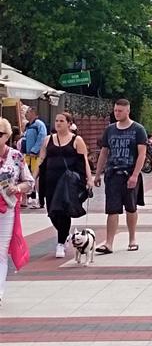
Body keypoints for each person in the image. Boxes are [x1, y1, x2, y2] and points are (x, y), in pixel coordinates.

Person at [34, 113, 94, 258]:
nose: (58, 123)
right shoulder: (48, 140)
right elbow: (41, 159)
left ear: (69, 123)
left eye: (61, 121)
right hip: (50, 181)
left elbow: (84, 160)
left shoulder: (76, 140)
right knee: (52, 212)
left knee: (63, 211)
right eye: (56, 120)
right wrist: (33, 177)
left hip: (68, 183)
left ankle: (60, 243)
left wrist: (89, 179)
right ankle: (66, 234)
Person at [93, 99, 148, 254]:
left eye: (120, 111)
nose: (117, 113)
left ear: (128, 111)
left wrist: (135, 175)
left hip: (129, 173)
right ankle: (109, 243)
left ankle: (132, 239)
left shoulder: (138, 129)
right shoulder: (110, 130)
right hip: (112, 174)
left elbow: (142, 154)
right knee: (112, 209)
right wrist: (97, 174)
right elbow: (104, 152)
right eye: (115, 110)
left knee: (131, 208)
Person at [0, 118, 35, 304]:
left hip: (7, 208)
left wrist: (18, 188)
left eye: (0, 134)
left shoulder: (16, 156)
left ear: (7, 136)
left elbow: (29, 182)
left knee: (1, 251)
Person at [24, 107, 47, 209]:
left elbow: (42, 138)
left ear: (34, 113)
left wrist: (35, 149)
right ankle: (32, 198)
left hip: (36, 156)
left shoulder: (39, 125)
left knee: (36, 178)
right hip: (29, 156)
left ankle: (40, 200)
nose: (26, 114)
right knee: (30, 177)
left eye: (28, 112)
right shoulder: (29, 126)